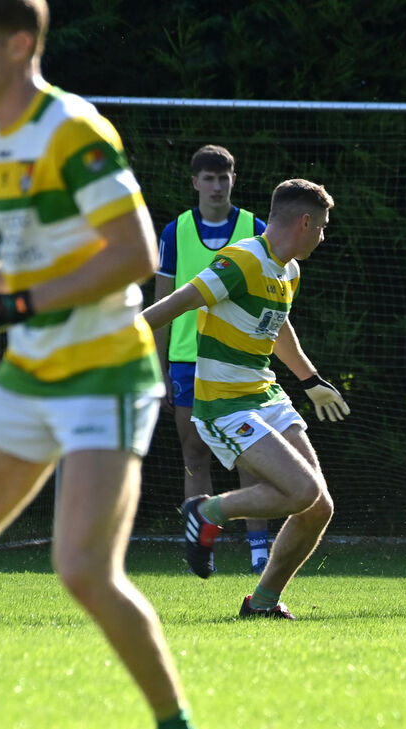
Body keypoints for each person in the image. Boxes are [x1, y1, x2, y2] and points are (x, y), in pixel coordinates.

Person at [0, 2, 196, 727]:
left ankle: (175, 721)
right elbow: (24, 259)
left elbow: (136, 256)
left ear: (16, 44)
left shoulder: (71, 130)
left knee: (83, 571)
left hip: (103, 369)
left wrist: (13, 307)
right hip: (29, 372)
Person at [143, 178, 350, 620]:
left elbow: (278, 327)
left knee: (319, 507)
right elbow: (174, 304)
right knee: (302, 490)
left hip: (265, 393)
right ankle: (205, 510)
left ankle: (262, 603)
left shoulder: (288, 269)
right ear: (305, 221)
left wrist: (310, 379)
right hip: (224, 402)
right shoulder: (241, 260)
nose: (323, 236)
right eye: (323, 226)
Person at [154, 144, 271, 575]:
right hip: (187, 361)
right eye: (209, 178)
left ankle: (259, 548)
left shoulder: (254, 227)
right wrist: (159, 368)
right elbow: (161, 303)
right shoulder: (174, 232)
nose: (217, 186)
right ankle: (201, 547)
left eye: (224, 177)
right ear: (195, 182)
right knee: (194, 452)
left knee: (250, 452)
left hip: (239, 359)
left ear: (233, 180)